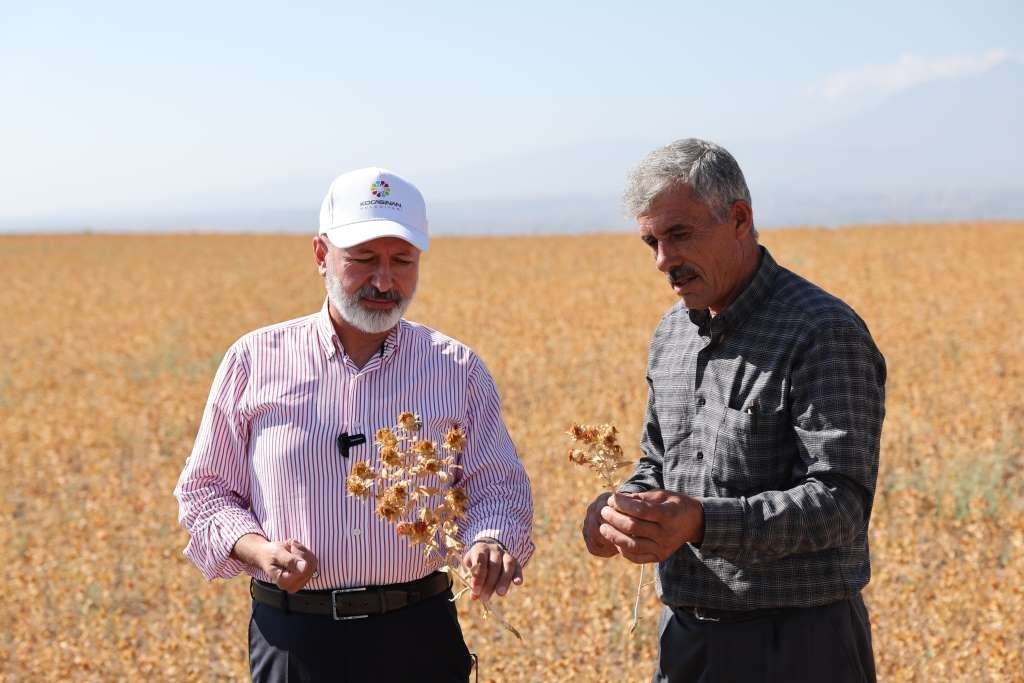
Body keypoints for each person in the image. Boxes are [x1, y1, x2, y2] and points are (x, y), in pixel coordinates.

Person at [174, 167, 534, 682]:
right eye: (363, 260)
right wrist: (261, 550)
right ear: (321, 256)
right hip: (295, 640)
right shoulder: (254, 360)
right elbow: (205, 493)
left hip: (419, 636)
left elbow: (497, 488)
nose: (385, 280)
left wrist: (490, 541)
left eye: (402, 261)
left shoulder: (456, 369)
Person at [581, 139, 885, 682]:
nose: (662, 261)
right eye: (651, 241)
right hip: (688, 642)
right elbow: (658, 462)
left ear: (739, 219)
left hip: (800, 645)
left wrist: (700, 521)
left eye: (678, 235)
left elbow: (841, 504)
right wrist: (623, 510)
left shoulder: (821, 332)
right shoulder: (672, 335)